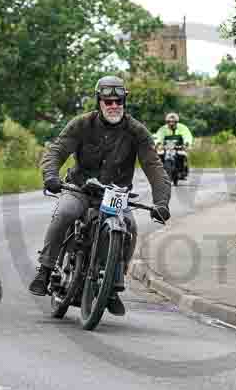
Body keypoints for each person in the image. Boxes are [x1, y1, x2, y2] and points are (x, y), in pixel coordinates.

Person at [29, 76, 172, 316]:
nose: (114, 105)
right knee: (65, 213)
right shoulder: (81, 124)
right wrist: (51, 176)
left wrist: (162, 202)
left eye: (118, 101)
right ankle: (45, 270)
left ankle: (112, 286)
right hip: (80, 188)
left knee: (130, 226)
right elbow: (57, 151)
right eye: (108, 101)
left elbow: (155, 167)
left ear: (124, 101)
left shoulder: (137, 131)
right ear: (99, 102)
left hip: (115, 194)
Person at [153, 112, 194, 179]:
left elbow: (187, 136)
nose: (171, 123)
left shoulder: (183, 128)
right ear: (167, 122)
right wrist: (158, 144)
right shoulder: (162, 129)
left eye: (173, 122)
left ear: (176, 122)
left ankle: (182, 171)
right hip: (166, 148)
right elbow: (158, 137)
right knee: (159, 155)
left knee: (183, 155)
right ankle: (159, 172)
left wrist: (187, 143)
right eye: (169, 122)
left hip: (179, 147)